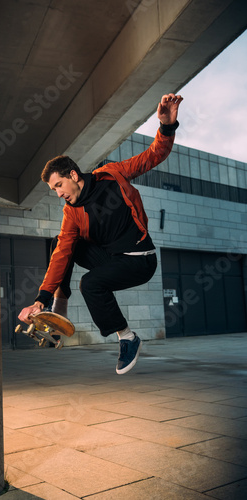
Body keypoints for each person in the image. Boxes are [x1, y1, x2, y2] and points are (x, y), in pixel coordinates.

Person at [18, 93, 183, 374]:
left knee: (91, 284)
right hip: (112, 258)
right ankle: (60, 308)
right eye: (53, 190)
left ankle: (127, 337)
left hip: (139, 260)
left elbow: (152, 156)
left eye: (59, 185)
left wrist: (166, 127)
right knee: (65, 245)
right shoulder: (71, 212)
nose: (58, 194)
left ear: (73, 175)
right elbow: (62, 254)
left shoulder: (112, 175)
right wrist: (40, 299)